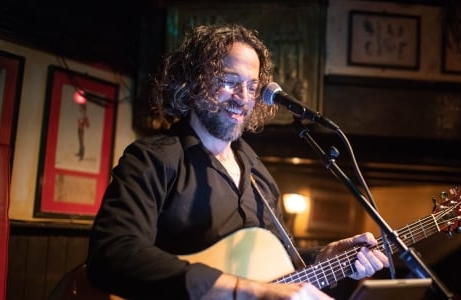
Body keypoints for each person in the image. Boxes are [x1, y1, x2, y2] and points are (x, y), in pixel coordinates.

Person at [86, 23, 389, 299]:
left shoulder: (260, 178)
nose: (243, 97)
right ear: (193, 82)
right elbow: (112, 254)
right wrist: (246, 291)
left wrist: (323, 257)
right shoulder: (154, 158)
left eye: (252, 87)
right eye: (229, 81)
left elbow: (274, 270)